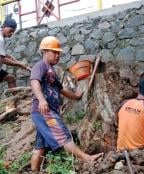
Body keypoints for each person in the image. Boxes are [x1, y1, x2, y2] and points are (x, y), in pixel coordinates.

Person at [30, 36, 103, 171]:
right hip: (45, 112)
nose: (58, 55)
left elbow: (61, 89)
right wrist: (41, 99)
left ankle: (34, 171)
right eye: (54, 52)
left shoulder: (51, 70)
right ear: (45, 51)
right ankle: (87, 158)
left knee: (40, 145)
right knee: (62, 135)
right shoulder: (40, 66)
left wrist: (75, 96)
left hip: (45, 112)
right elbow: (34, 81)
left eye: (59, 53)